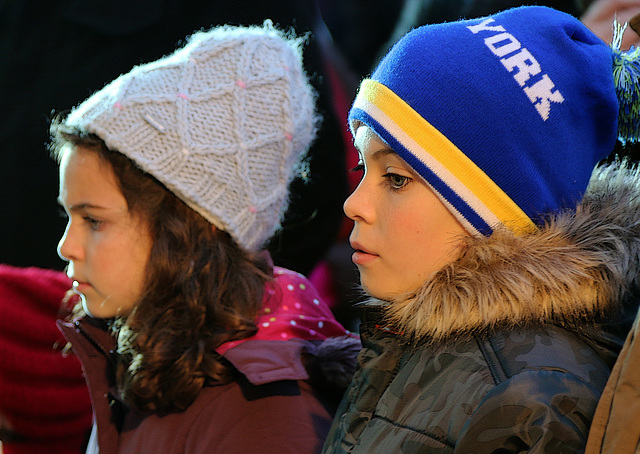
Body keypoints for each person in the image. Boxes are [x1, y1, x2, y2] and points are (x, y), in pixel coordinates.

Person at [322, 5, 640, 453]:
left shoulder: (527, 404)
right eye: (362, 167)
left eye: (396, 178)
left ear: (497, 212)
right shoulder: (415, 339)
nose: (354, 205)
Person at [51, 23, 359, 453]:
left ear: (189, 227)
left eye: (95, 221)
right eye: (69, 216)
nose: (67, 246)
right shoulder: (145, 357)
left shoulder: (266, 418)